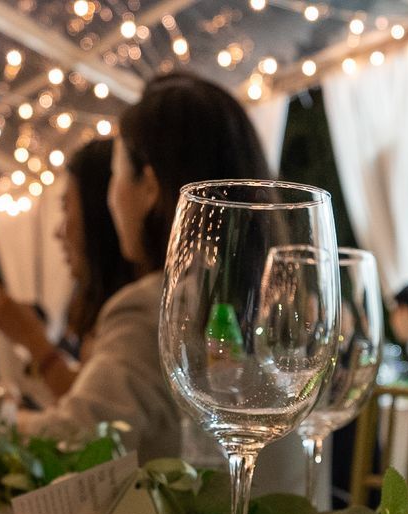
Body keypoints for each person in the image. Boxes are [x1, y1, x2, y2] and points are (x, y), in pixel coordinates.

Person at [20, 72, 278, 471]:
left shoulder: (156, 308)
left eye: (116, 175)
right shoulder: (282, 302)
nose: (112, 198)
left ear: (149, 187)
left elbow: (73, 441)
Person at [0, 139, 138, 401]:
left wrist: (32, 338)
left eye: (67, 208)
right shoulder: (101, 317)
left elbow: (88, 421)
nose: (58, 232)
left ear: (101, 214)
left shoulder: (134, 318)